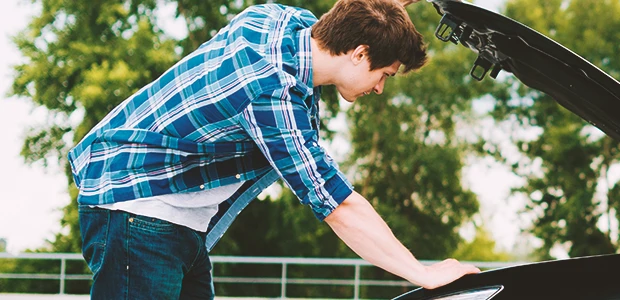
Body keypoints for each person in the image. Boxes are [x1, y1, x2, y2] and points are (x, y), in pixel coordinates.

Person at [68, 0, 479, 298]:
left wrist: (389, 11)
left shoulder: (278, 19)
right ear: (359, 55)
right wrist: (421, 273)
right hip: (135, 204)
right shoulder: (271, 95)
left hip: (173, 218)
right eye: (383, 74)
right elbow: (337, 205)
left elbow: (349, 17)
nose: (379, 87)